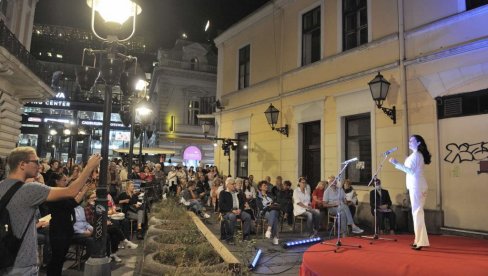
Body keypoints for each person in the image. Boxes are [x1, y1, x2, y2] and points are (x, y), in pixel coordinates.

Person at [0, 147, 100, 275]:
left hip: (4, 259)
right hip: (22, 264)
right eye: (36, 161)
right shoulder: (30, 189)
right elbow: (71, 191)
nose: (40, 165)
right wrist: (89, 167)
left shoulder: (2, 185)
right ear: (22, 164)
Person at [389, 134, 431, 250]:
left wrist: (396, 163)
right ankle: (419, 240)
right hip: (419, 185)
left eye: (412, 140)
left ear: (418, 143)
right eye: (409, 140)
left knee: (417, 213)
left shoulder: (416, 155)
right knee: (418, 213)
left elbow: (410, 171)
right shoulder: (417, 155)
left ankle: (420, 241)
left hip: (416, 186)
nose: (409, 142)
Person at [46, 172, 90, 276]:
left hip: (66, 227)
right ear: (56, 181)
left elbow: (73, 201)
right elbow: (71, 204)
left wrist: (81, 191)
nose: (66, 183)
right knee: (57, 257)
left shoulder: (63, 192)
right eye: (64, 180)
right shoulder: (54, 194)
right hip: (58, 228)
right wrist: (83, 192)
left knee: (61, 257)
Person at [219, 177, 252, 243]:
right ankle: (230, 238)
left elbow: (242, 203)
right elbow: (222, 206)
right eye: (232, 184)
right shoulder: (223, 193)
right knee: (232, 216)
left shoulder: (238, 193)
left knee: (248, 216)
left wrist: (240, 209)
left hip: (238, 210)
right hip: (227, 212)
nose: (234, 185)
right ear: (227, 185)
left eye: (234, 183)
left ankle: (246, 236)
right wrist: (231, 210)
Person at [256, 180, 280, 245]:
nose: (266, 186)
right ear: (260, 187)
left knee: (273, 212)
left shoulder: (270, 194)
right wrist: (268, 206)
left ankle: (269, 230)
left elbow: (275, 202)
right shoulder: (258, 197)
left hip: (273, 210)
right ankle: (275, 237)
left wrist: (272, 204)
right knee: (274, 218)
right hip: (265, 211)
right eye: (264, 185)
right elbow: (261, 207)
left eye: (266, 185)